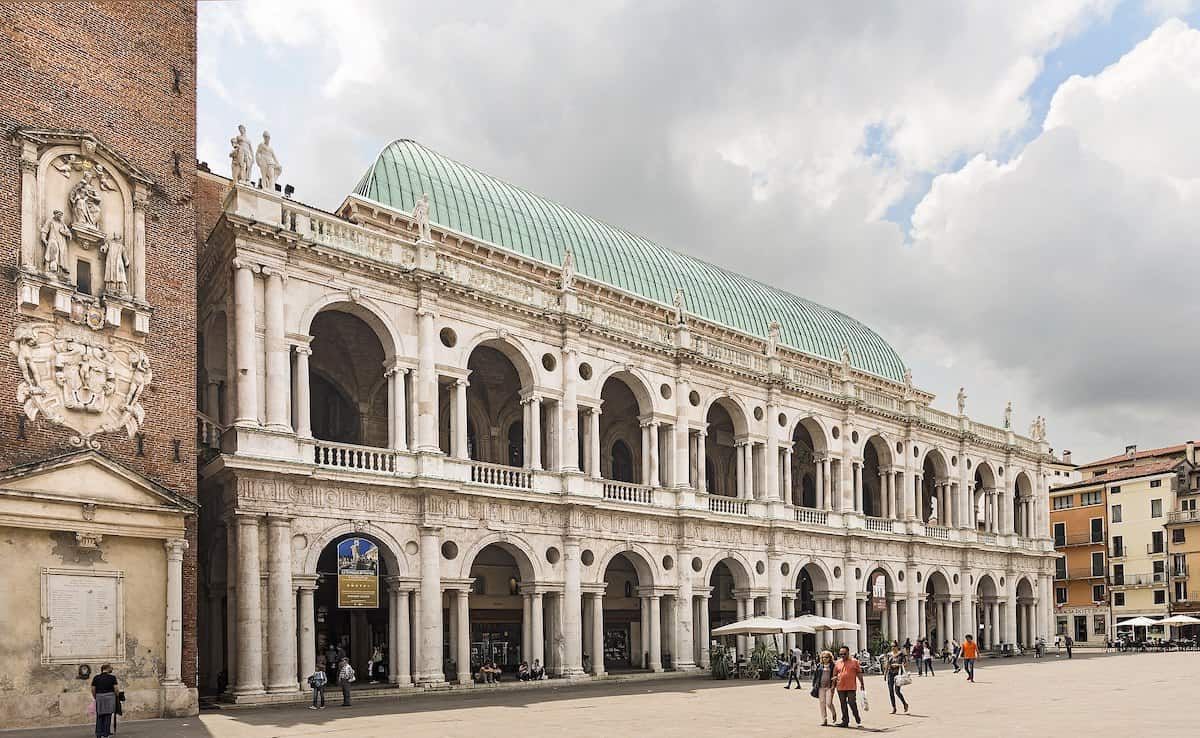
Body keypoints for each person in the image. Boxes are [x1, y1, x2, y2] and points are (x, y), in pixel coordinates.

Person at [834, 646, 864, 729]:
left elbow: (859, 673)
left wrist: (862, 683)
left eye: (844, 654)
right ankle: (845, 721)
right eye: (841, 654)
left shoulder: (854, 662)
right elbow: (835, 674)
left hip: (851, 686)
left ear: (848, 653)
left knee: (851, 702)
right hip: (840, 686)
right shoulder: (837, 663)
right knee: (843, 704)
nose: (842, 655)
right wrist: (833, 685)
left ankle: (857, 718)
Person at [811, 649, 839, 727]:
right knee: (822, 703)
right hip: (821, 687)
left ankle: (834, 713)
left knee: (829, 703)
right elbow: (815, 676)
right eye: (823, 657)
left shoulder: (833, 665)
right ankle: (824, 719)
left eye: (826, 657)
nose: (825, 659)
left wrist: (834, 685)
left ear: (830, 658)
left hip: (829, 687)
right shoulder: (819, 665)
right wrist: (814, 685)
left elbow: (836, 675)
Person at [91, 663, 118, 738]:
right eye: (111, 667)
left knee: (99, 715)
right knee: (108, 715)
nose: (112, 669)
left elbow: (93, 689)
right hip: (110, 697)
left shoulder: (96, 677)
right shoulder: (112, 677)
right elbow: (116, 689)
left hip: (99, 697)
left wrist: (95, 697)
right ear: (107, 668)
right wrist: (117, 695)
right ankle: (106, 733)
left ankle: (98, 733)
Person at [882, 641, 909, 714]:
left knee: (897, 691)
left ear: (897, 646)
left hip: (898, 674)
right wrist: (885, 674)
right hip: (890, 674)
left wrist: (898, 665)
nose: (892, 648)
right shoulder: (889, 654)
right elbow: (887, 664)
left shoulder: (901, 654)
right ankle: (894, 708)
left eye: (894, 646)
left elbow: (906, 664)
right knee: (891, 691)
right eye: (891, 646)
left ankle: (905, 704)